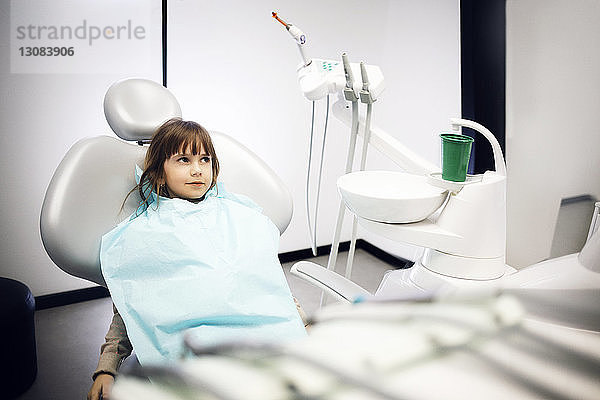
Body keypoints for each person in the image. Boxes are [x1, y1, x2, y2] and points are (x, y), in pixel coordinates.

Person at [88, 118, 307, 400]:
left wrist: (302, 321)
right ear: (158, 171)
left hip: (263, 333)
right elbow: (133, 303)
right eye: (183, 160)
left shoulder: (237, 214)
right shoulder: (144, 231)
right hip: (192, 345)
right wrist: (106, 368)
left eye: (205, 159)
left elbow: (268, 281)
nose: (197, 170)